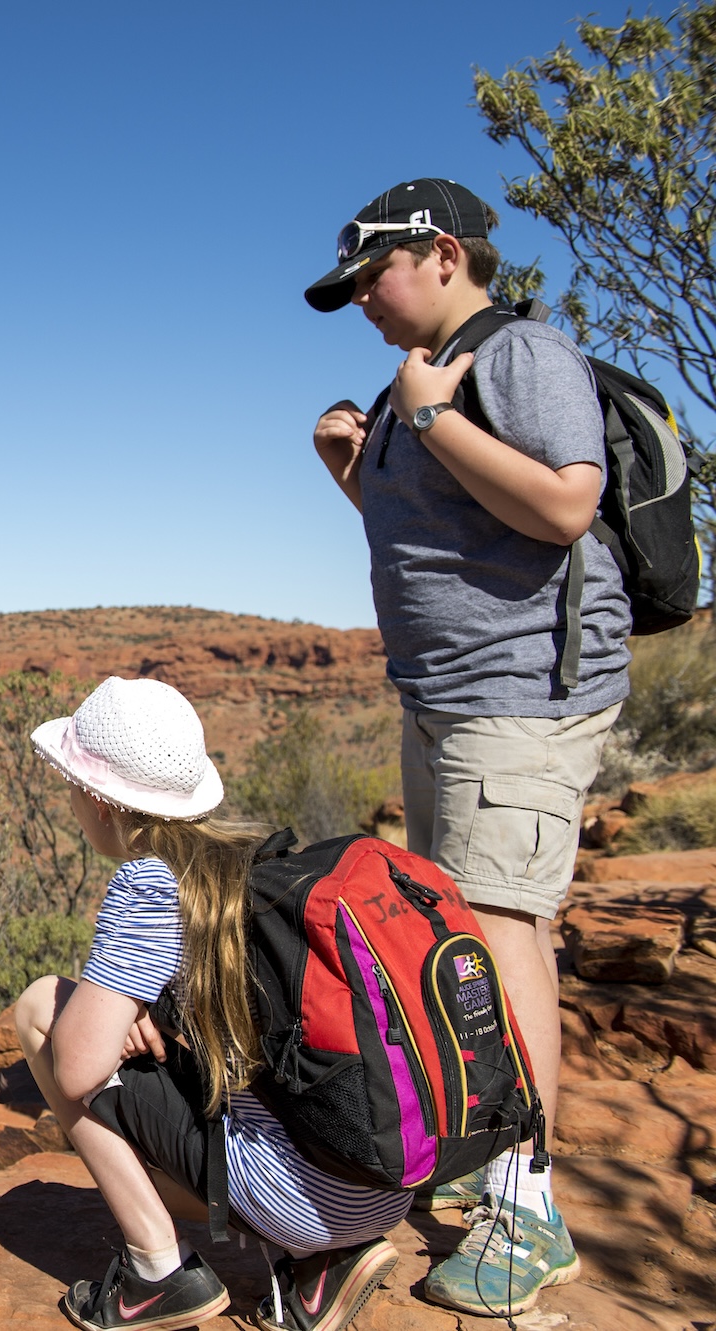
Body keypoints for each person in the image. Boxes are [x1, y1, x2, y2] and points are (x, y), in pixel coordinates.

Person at [304, 178, 625, 1316]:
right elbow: (439, 541)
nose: (360, 304)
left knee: (500, 928)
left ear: (442, 254)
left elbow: (564, 507)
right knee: (456, 930)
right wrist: (354, 463)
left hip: (517, 702)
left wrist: (430, 415)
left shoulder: (518, 355)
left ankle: (524, 1205)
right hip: (443, 699)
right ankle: (485, 1150)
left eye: (368, 280)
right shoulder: (417, 385)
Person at [14, 676, 408, 1331]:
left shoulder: (148, 880)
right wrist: (144, 1008)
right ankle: (320, 1264)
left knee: (37, 1007)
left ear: (99, 800)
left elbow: (80, 1068)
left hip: (301, 1199)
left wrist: (106, 1014)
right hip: (376, 1183)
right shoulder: (250, 857)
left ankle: (156, 1268)